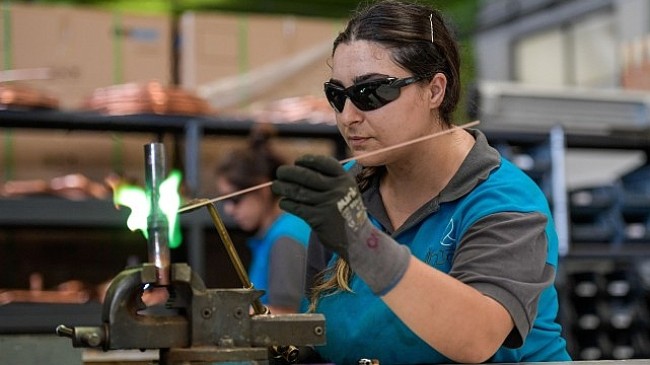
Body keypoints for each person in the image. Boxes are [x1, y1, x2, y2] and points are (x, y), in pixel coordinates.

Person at [270, 1, 571, 363]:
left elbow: (476, 337)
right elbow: (318, 338)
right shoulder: (348, 195)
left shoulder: (505, 201)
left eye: (370, 93)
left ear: (434, 90)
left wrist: (362, 241)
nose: (349, 117)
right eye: (337, 96)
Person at [215, 125, 311, 314]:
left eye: (235, 199)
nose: (229, 209)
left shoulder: (286, 238)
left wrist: (227, 314)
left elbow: (287, 316)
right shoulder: (276, 233)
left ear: (262, 188)